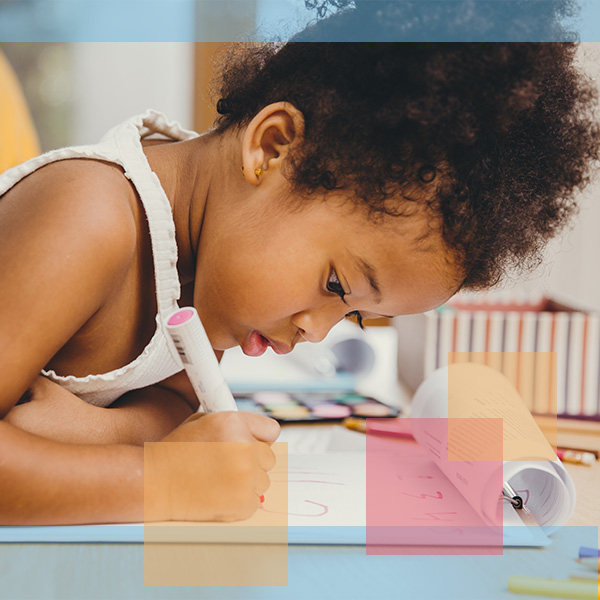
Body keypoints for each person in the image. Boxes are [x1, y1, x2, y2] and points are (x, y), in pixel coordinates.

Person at [1, 36, 599, 525]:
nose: (316, 333)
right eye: (337, 285)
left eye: (354, 315)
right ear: (273, 147)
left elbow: (174, 408)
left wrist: (97, 432)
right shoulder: (89, 217)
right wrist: (162, 481)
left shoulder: (210, 260)